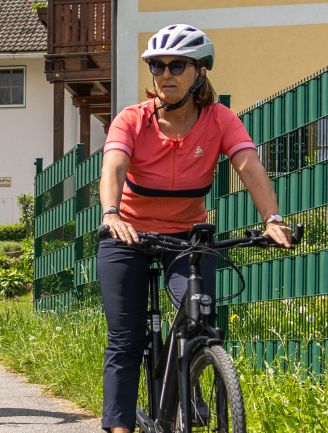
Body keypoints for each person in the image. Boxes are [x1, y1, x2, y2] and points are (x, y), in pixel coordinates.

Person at [98, 24, 295, 433]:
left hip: (186, 236)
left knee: (196, 317)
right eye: (157, 66)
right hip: (128, 234)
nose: (165, 74)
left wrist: (272, 219)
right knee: (126, 338)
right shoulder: (132, 119)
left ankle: (191, 372)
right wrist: (112, 214)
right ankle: (120, 427)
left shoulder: (220, 119)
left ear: (200, 71)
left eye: (177, 66)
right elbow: (113, 166)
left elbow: (249, 166)